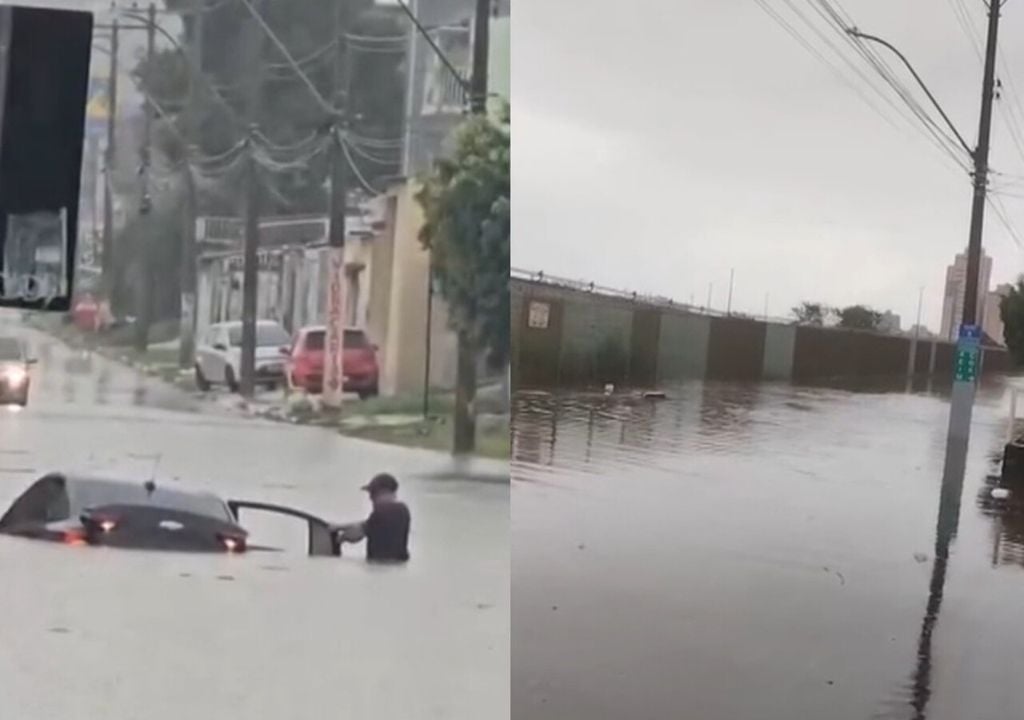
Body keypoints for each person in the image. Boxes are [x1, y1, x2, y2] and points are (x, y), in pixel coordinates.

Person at [338, 473, 410, 562]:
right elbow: (370, 524)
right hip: (400, 565)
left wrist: (340, 539)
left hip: (380, 565)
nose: (370, 498)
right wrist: (338, 526)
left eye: (372, 493)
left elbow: (357, 533)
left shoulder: (382, 511)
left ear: (381, 492)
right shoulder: (403, 509)